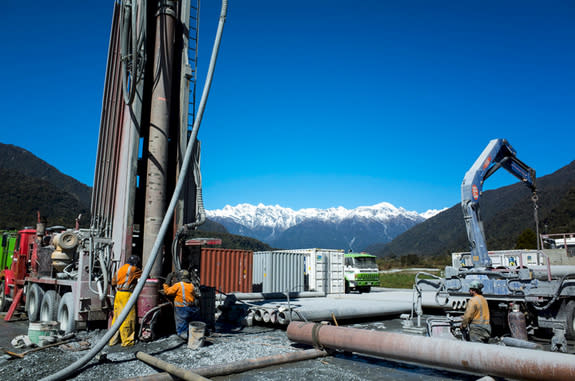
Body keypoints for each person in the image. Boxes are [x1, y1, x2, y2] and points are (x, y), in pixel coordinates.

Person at [109, 255, 142, 346]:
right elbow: (144, 276)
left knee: (116, 318)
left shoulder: (120, 269)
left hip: (118, 294)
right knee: (128, 318)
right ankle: (127, 342)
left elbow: (113, 282)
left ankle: (112, 340)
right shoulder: (133, 269)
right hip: (127, 295)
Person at [162, 269, 201, 339]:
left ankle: (183, 337)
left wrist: (167, 281)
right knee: (190, 323)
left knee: (182, 325)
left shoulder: (178, 285)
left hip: (181, 308)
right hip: (192, 308)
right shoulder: (191, 285)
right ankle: (191, 336)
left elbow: (167, 292)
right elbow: (196, 295)